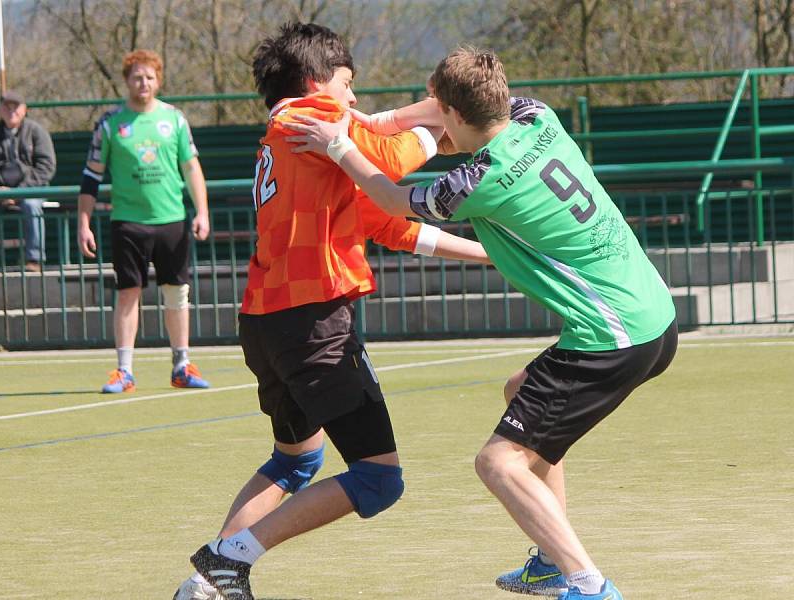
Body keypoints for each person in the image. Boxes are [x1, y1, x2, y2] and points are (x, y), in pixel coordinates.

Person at [286, 47, 678, 600]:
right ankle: (549, 563)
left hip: (612, 336)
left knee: (498, 462)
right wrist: (385, 122)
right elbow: (457, 122)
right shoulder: (537, 114)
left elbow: (391, 198)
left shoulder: (475, 181)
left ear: (453, 111)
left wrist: (340, 144)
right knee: (522, 390)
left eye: (439, 111)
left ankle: (588, 584)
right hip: (653, 313)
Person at [173, 23, 489, 600]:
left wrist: (486, 253)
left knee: (298, 460)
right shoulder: (312, 117)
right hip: (312, 322)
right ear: (317, 81)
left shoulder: (284, 134)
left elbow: (383, 223)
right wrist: (441, 121)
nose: (353, 101)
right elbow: (392, 158)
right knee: (379, 478)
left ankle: (210, 584)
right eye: (348, 85)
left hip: (269, 322)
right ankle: (228, 559)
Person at [77, 50, 210, 394]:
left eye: (150, 77)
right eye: (137, 77)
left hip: (171, 222)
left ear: (158, 80)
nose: (144, 83)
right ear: (127, 81)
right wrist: (84, 222)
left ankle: (181, 365)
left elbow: (192, 167)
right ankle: (124, 371)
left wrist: (202, 212)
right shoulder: (109, 123)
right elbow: (91, 178)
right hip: (128, 223)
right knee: (127, 294)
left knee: (177, 293)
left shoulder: (175, 119)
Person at [0, 90, 56, 272]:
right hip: (0, 193)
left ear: (24, 109)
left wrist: (20, 191)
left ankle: (34, 260)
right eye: (7, 106)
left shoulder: (36, 131)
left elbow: (46, 167)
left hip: (34, 191)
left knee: (30, 205)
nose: (11, 110)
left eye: (16, 106)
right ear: (0, 109)